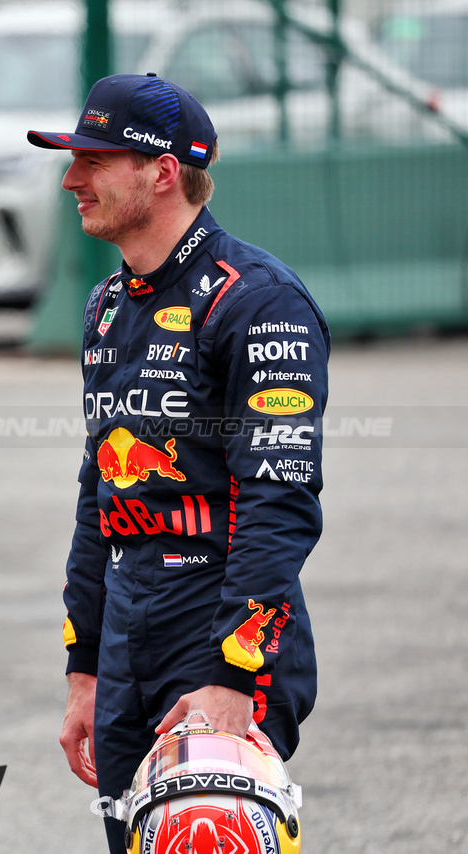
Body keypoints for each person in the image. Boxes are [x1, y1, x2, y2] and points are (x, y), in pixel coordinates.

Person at [26, 73, 328, 853]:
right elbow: (101, 491)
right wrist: (85, 665)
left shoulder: (259, 301)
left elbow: (279, 500)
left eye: (93, 161)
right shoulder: (105, 306)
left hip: (217, 625)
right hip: (129, 630)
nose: (71, 179)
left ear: (161, 171)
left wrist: (236, 676)